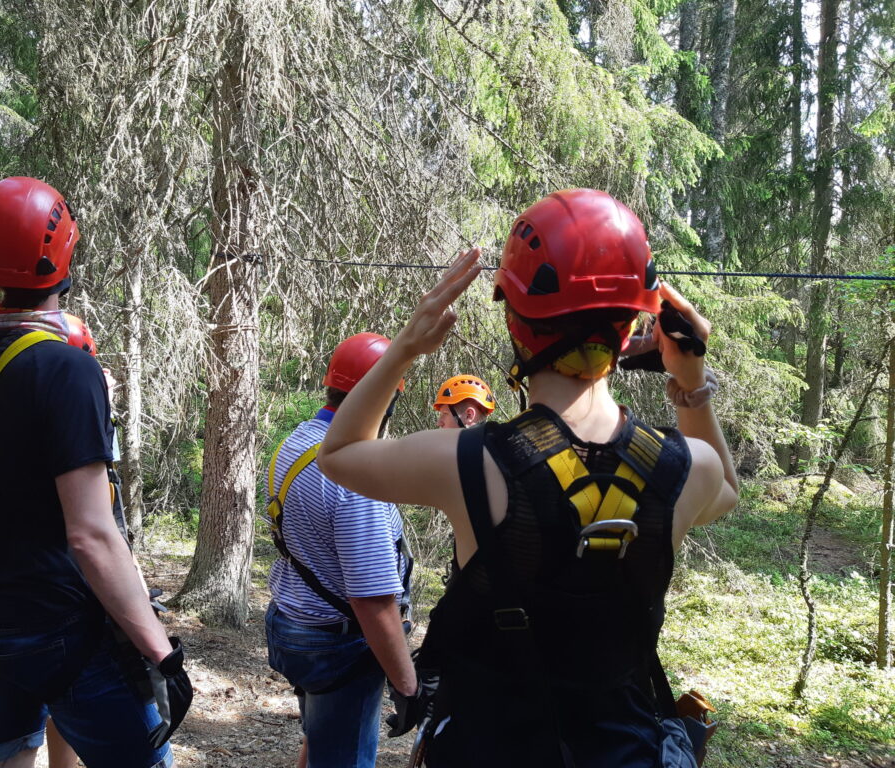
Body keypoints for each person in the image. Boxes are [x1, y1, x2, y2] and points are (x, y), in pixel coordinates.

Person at [317, 188, 739, 767]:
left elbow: (338, 451)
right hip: (624, 752)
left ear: (518, 326)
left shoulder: (467, 460)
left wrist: (408, 346)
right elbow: (729, 490)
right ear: (631, 330)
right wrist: (690, 382)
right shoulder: (690, 466)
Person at [0, 177, 186, 768]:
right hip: (65, 626)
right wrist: (161, 654)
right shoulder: (69, 371)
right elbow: (92, 534)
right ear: (63, 251)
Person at [265, 332, 415, 768]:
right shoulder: (355, 478)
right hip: (339, 644)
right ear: (385, 397)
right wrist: (407, 687)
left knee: (321, 739)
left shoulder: (299, 441)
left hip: (297, 624)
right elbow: (372, 601)